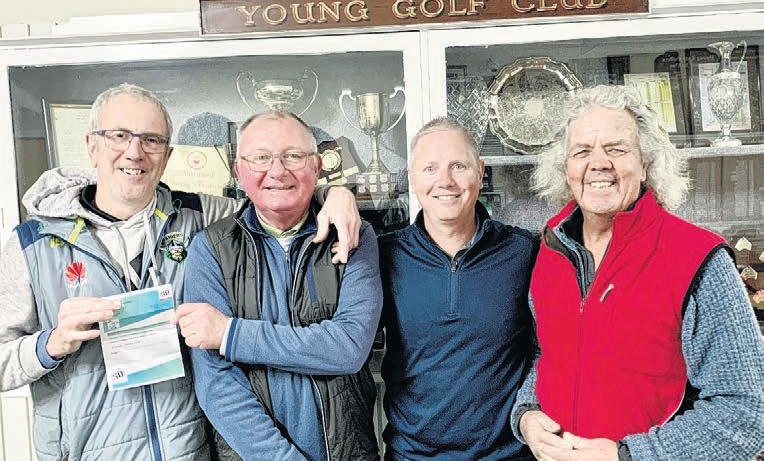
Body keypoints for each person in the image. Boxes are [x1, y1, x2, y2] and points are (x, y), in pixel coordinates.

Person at [0, 83, 361, 461]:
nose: (135, 152)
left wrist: (335, 194)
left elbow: (274, 195)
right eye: (119, 135)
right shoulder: (32, 245)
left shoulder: (200, 216)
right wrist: (50, 344)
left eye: (151, 140)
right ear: (92, 145)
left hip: (188, 451)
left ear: (168, 155)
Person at [511, 85, 764, 461]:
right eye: (582, 151)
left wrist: (628, 455)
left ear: (646, 163)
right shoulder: (549, 249)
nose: (598, 163)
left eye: (616, 149)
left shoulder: (699, 260)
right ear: (565, 169)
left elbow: (746, 414)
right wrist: (526, 414)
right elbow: (545, 354)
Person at [176, 110, 382, 461]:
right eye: (261, 157)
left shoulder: (353, 236)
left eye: (293, 156)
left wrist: (230, 334)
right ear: (238, 170)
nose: (277, 170)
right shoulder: (210, 248)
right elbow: (217, 385)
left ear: (317, 166)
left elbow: (348, 346)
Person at [378, 117, 536, 460]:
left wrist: (531, 412)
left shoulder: (524, 252)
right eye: (430, 168)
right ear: (412, 178)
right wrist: (332, 195)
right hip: (413, 457)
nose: (445, 181)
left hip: (508, 456)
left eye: (458, 166)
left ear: (480, 172)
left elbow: (550, 351)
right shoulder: (383, 256)